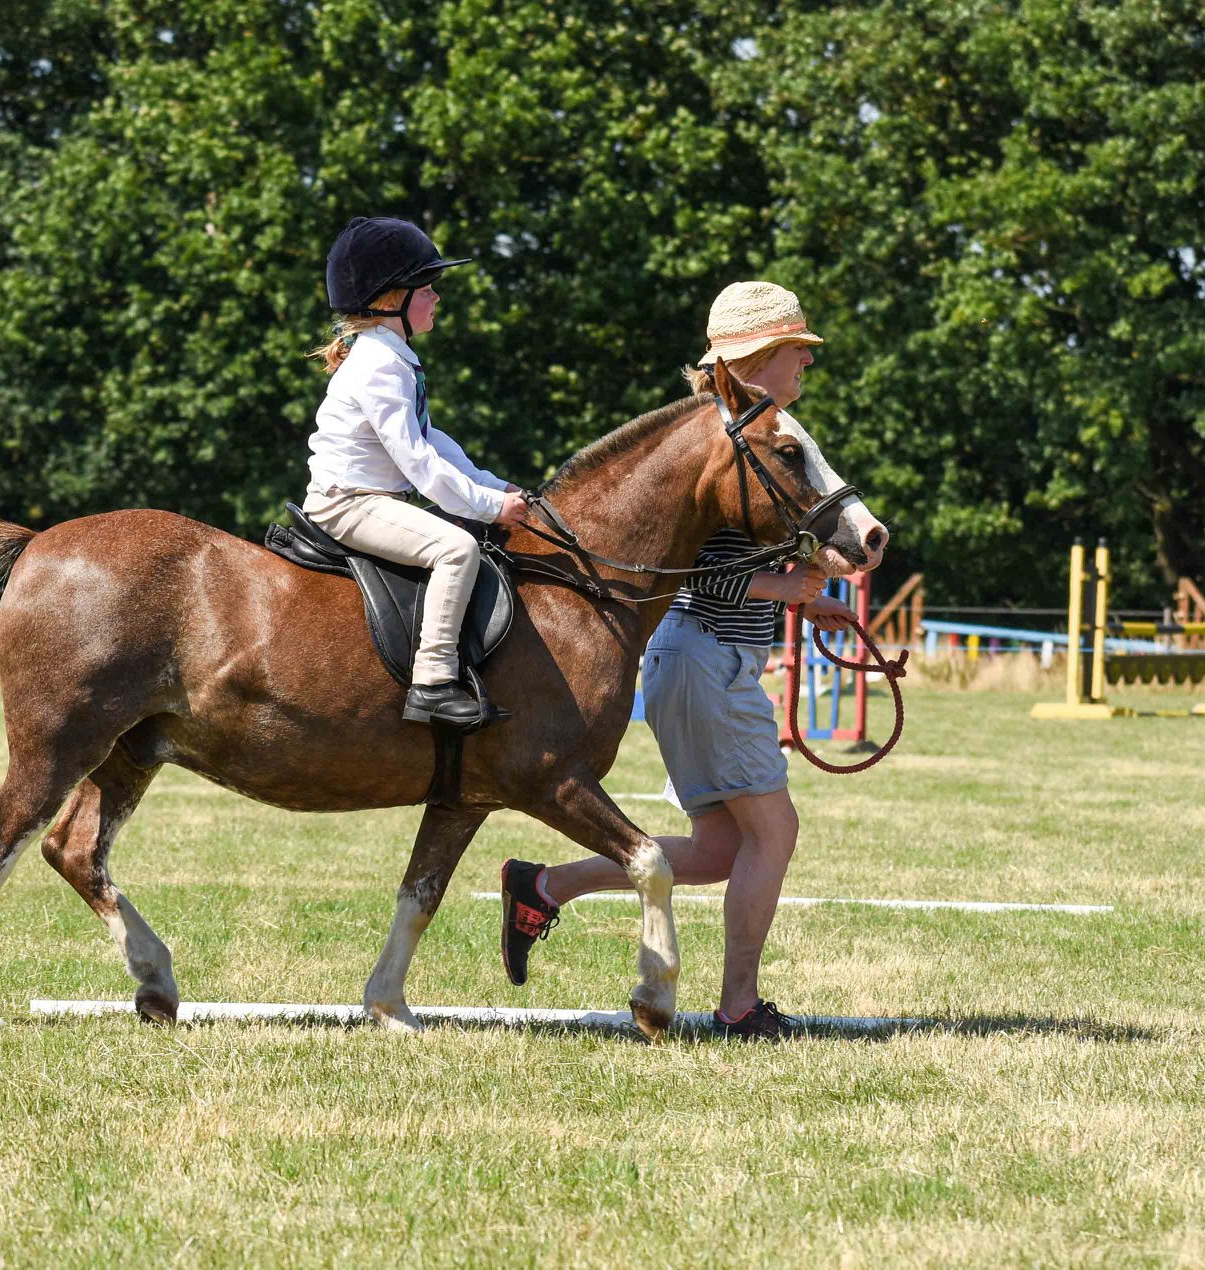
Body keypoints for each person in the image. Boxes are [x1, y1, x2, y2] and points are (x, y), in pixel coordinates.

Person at [497, 280, 856, 1040]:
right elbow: (685, 571)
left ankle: (543, 886)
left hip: (699, 658)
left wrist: (805, 589)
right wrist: (786, 588)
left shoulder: (748, 433)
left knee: (720, 849)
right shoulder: (720, 439)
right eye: (797, 349)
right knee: (773, 832)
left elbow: (725, 558)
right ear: (758, 358)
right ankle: (739, 1007)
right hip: (705, 658)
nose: (807, 362)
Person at [306, 216, 529, 728]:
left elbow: (431, 439)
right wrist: (491, 507)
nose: (436, 297)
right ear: (391, 300)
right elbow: (419, 463)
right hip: (349, 503)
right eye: (426, 289)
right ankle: (432, 684)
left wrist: (494, 485)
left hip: (371, 498)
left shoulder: (392, 356)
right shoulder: (378, 365)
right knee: (456, 548)